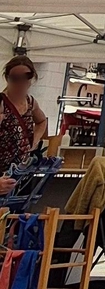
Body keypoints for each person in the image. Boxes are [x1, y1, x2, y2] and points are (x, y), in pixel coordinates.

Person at [0, 55, 48, 195]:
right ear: (7, 78)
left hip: (21, 174)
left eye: (25, 77)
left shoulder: (31, 102)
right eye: (15, 78)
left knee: (18, 214)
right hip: (2, 176)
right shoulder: (2, 103)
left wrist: (34, 141)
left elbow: (41, 121)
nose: (20, 84)